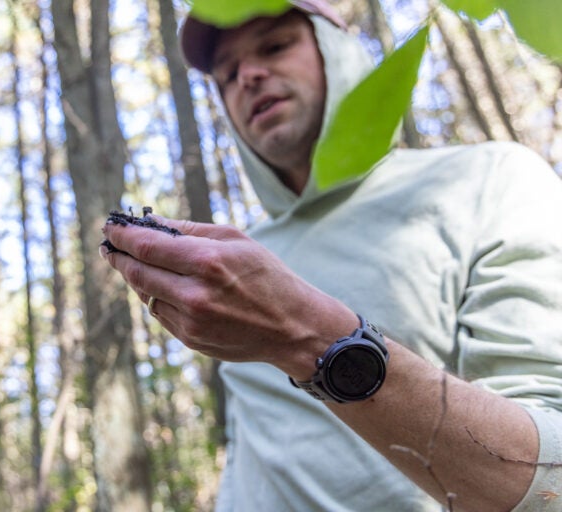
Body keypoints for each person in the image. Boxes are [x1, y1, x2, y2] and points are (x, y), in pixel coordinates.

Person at [100, 0, 562, 510]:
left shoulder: (490, 179)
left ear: (337, 51)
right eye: (227, 75)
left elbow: (551, 481)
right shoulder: (231, 255)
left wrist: (306, 336)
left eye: (275, 46)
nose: (248, 76)